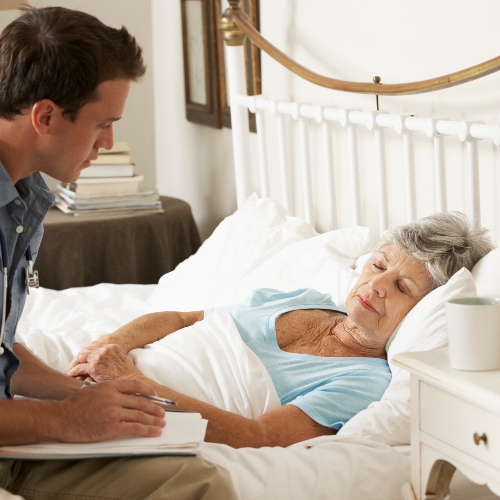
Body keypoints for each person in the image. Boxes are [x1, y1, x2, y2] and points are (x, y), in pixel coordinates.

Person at [0, 6, 237, 500]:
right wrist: (66, 420)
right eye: (102, 123)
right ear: (44, 116)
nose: (108, 142)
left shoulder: (21, 199)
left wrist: (74, 393)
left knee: (192, 474)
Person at [68, 211, 495, 449]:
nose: (376, 285)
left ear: (422, 313)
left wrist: (131, 382)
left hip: (132, 407)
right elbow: (179, 320)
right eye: (378, 265)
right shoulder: (300, 296)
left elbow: (260, 437)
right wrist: (111, 343)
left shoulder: (366, 381)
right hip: (101, 373)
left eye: (402, 286)